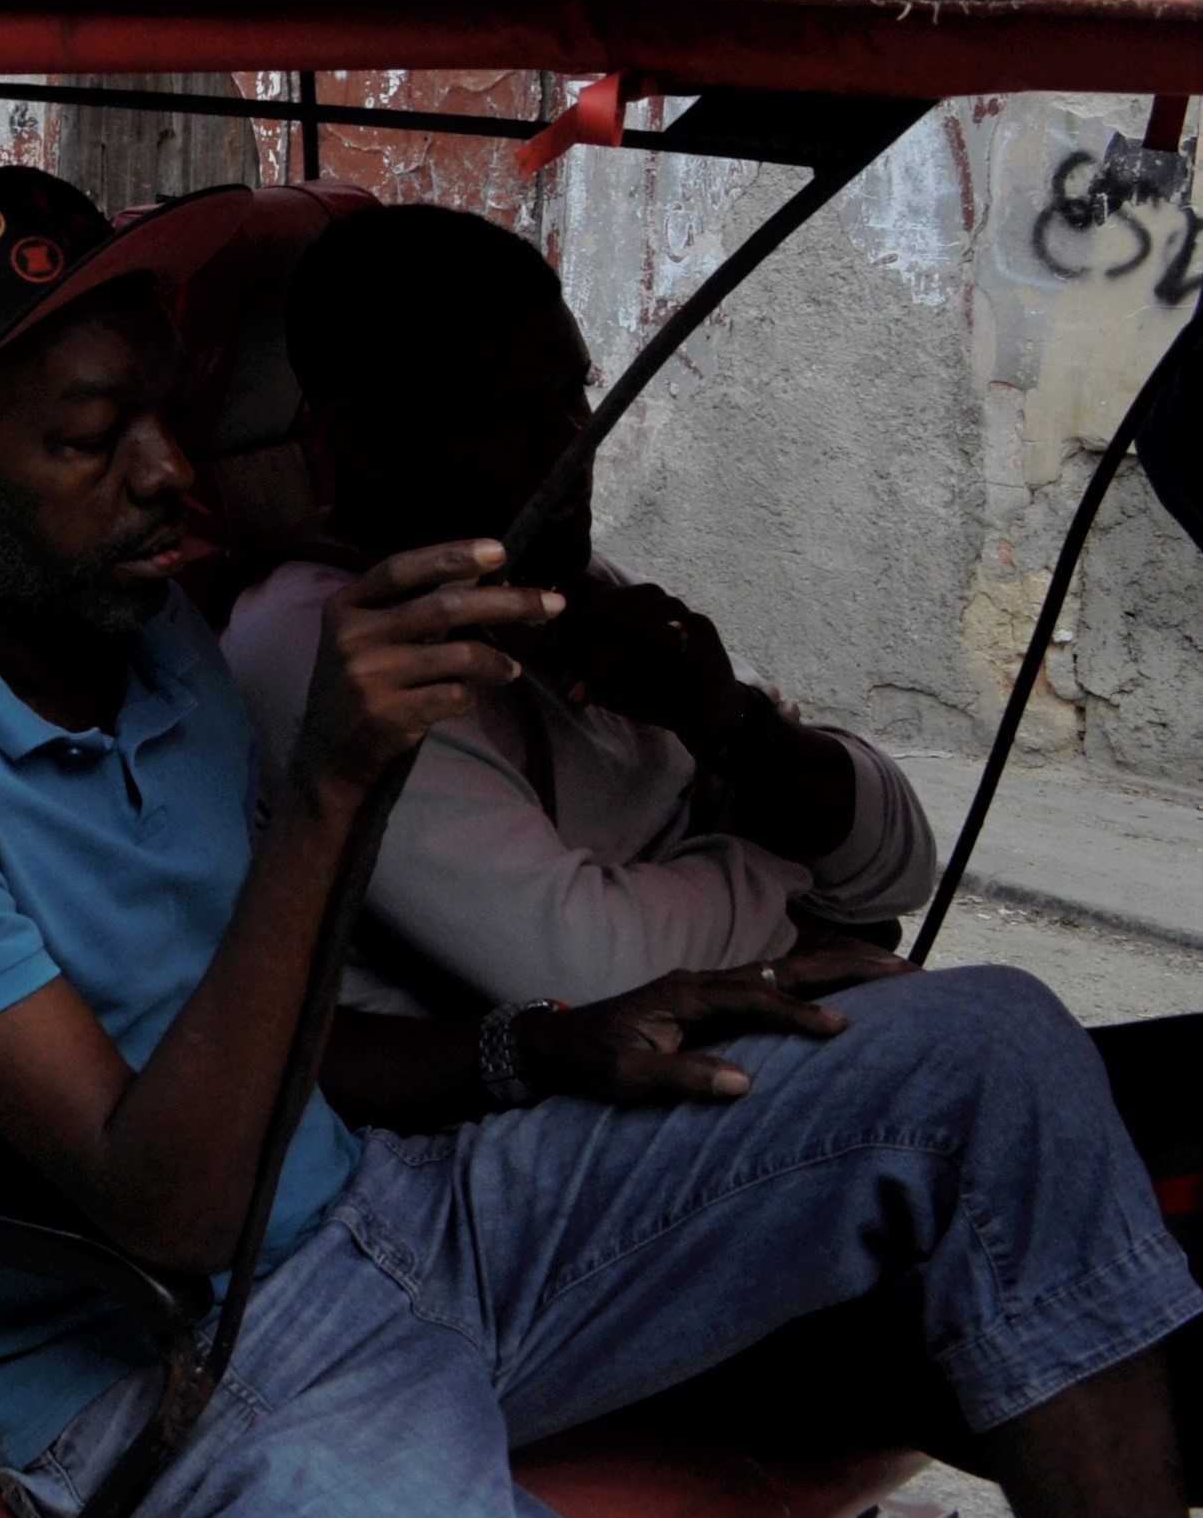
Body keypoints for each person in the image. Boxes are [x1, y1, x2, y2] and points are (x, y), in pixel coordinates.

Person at [0, 165, 1190, 1518]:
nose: (170, 475)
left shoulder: (138, 634)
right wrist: (330, 784)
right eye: (94, 433)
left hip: (401, 1223)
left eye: (166, 417)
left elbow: (281, 1048)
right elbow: (172, 1207)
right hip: (176, 1382)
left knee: (995, 1050)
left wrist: (542, 1053)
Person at [217, 204, 936, 1015]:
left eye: (577, 393)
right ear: (364, 444)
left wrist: (737, 726)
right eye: (516, 413)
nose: (575, 444)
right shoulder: (320, 649)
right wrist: (794, 894)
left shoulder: (566, 581)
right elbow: (586, 969)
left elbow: (899, 866)